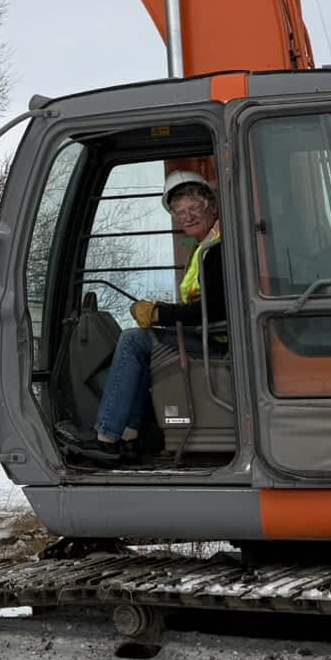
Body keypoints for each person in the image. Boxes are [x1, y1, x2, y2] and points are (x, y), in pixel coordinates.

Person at [64, 171, 224, 466]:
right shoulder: (205, 245)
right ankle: (129, 438)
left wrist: (160, 313)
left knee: (133, 340)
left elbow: (216, 309)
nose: (186, 217)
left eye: (194, 209)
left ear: (212, 207)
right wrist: (160, 309)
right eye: (180, 212)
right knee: (141, 346)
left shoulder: (218, 249)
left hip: (219, 339)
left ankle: (107, 438)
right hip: (209, 334)